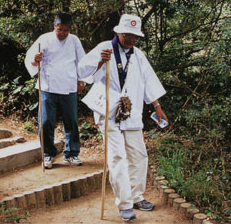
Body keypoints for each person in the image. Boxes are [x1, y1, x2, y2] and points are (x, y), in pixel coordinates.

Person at [78, 14, 168, 222]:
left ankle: (136, 196)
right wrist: (100, 61)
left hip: (131, 112)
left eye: (135, 36)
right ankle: (125, 205)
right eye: (127, 34)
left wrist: (157, 106)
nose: (131, 39)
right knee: (117, 157)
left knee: (139, 155)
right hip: (108, 110)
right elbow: (82, 73)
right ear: (118, 32)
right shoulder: (104, 48)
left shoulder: (138, 56)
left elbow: (149, 81)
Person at [24, 12, 86, 169]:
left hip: (69, 85)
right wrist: (35, 60)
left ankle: (72, 153)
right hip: (48, 86)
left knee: (71, 121)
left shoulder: (74, 40)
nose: (63, 33)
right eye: (60, 30)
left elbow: (81, 61)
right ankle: (48, 154)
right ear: (54, 26)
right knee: (45, 122)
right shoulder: (44, 39)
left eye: (66, 30)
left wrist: (81, 80)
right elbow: (30, 59)